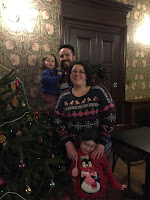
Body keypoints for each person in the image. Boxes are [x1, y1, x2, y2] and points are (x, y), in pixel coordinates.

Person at [54, 60, 116, 161]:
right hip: (75, 149)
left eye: (81, 71)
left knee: (99, 175)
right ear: (70, 75)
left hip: (98, 147)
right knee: (78, 175)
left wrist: (102, 143)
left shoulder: (99, 90)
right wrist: (68, 143)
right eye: (74, 71)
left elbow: (110, 116)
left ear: (87, 75)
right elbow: (58, 121)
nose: (77, 74)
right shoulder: (64, 96)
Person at [70, 128, 127, 200]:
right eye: (86, 144)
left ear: (96, 145)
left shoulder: (99, 155)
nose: (87, 149)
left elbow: (107, 171)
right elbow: (74, 174)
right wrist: (74, 173)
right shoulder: (76, 156)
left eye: (92, 146)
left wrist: (116, 184)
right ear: (81, 140)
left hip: (99, 194)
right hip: (83, 195)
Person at [41, 54, 63, 119]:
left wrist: (60, 71)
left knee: (54, 106)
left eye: (53, 61)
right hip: (48, 94)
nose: (51, 62)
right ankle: (54, 119)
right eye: (48, 61)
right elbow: (51, 81)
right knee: (54, 108)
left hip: (53, 94)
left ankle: (53, 118)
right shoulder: (45, 72)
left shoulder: (53, 71)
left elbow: (60, 71)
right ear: (44, 62)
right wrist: (58, 76)